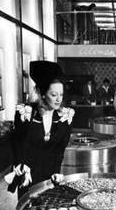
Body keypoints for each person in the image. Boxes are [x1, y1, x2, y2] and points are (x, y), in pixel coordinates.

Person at [7, 61, 75, 196]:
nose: (58, 100)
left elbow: (59, 150)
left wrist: (57, 171)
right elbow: (17, 144)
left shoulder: (65, 116)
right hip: (28, 176)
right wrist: (20, 165)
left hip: (50, 177)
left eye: (61, 95)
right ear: (42, 93)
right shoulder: (25, 113)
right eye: (53, 95)